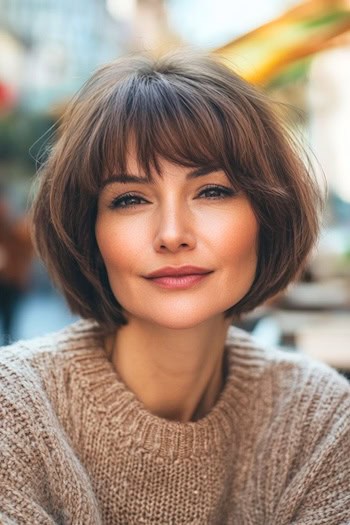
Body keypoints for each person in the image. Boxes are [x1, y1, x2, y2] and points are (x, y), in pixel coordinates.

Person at [0, 51, 349, 525]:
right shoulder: (14, 410)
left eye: (212, 191)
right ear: (90, 232)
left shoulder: (322, 420)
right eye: (129, 199)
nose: (171, 233)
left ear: (267, 214)